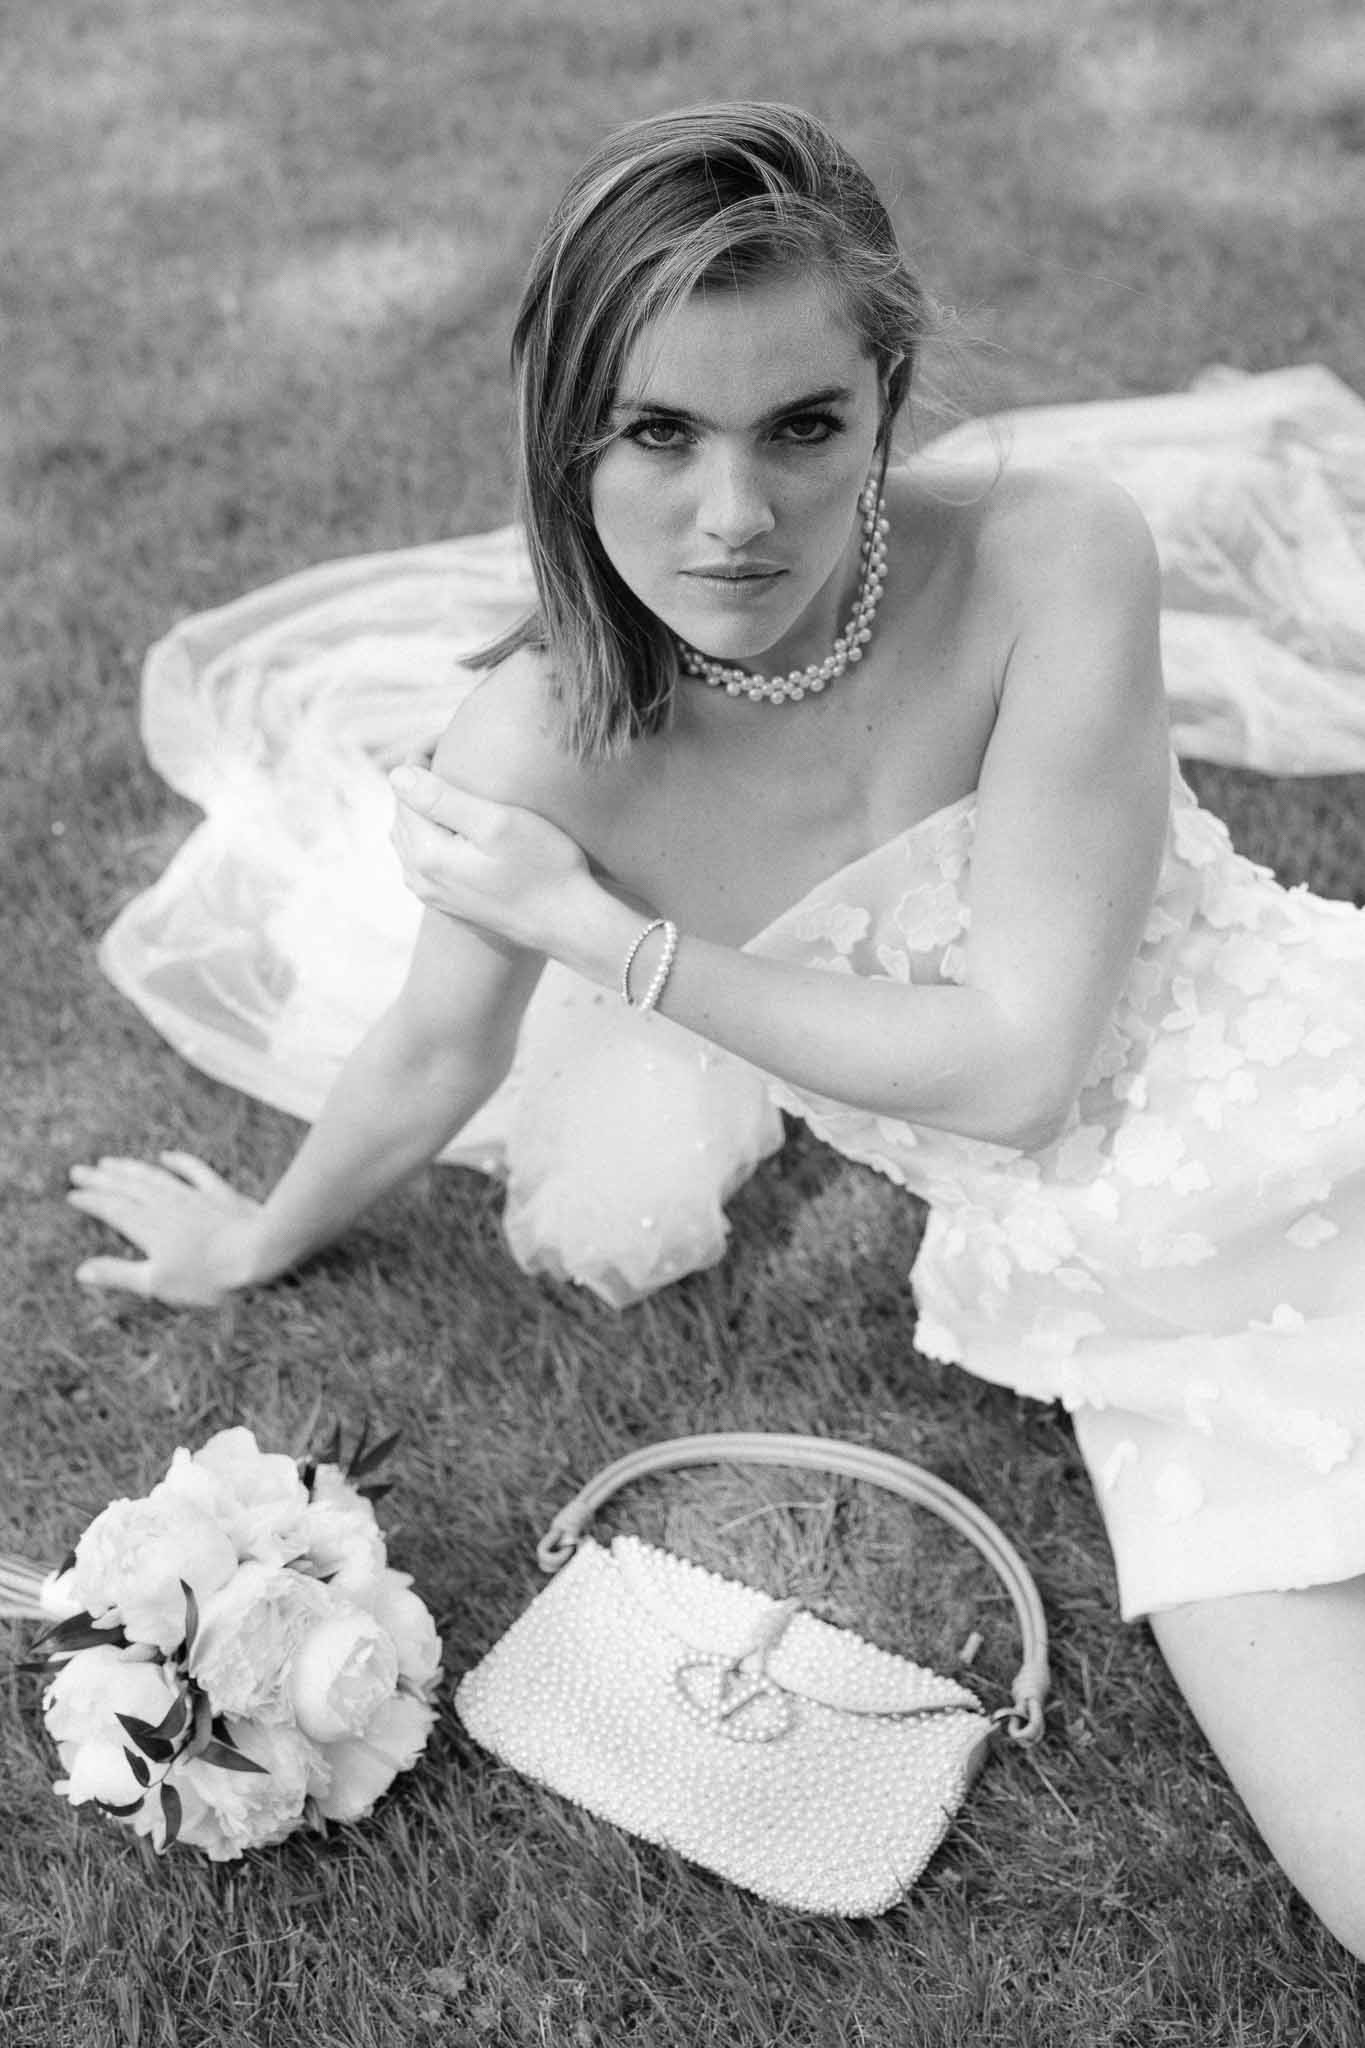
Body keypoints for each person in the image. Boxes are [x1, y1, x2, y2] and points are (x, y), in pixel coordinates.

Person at [67, 103, 1365, 1953]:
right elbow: (440, 1051)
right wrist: (256, 1239)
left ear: (885, 404)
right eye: (657, 433)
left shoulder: (1050, 557)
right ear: (564, 434)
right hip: (1133, 1315)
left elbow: (1018, 1064)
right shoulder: (534, 746)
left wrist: (614, 942)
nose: (734, 516)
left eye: (803, 429)